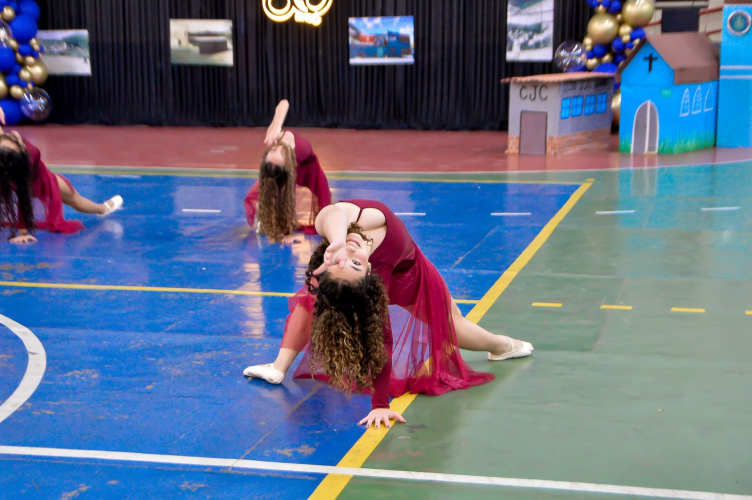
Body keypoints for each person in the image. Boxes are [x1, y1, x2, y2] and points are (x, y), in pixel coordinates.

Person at [244, 200, 533, 428]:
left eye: (344, 261)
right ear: (368, 271)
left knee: (451, 323)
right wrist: (380, 404)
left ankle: (500, 345)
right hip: (385, 281)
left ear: (327, 258)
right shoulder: (370, 275)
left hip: (410, 276)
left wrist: (337, 241)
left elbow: (337, 213)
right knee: (317, 300)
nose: (351, 253)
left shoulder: (330, 230)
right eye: (356, 264)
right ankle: (278, 367)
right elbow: (381, 339)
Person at [0, 127, 122, 244]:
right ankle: (102, 208)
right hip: (24, 181)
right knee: (75, 200)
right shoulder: (24, 152)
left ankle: (102, 209)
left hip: (39, 181)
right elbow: (23, 198)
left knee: (75, 200)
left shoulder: (22, 156)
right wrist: (23, 233)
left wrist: (22, 232)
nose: (11, 135)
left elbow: (23, 198)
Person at [244, 99, 331, 243]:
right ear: (287, 164)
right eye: (281, 154)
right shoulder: (289, 171)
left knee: (325, 209)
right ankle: (268, 220)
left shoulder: (274, 136)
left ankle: (270, 220)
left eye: (273, 150)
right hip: (294, 171)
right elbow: (285, 200)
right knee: (262, 196)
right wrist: (285, 232)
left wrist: (276, 125)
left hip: (311, 171)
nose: (278, 148)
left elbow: (284, 103)